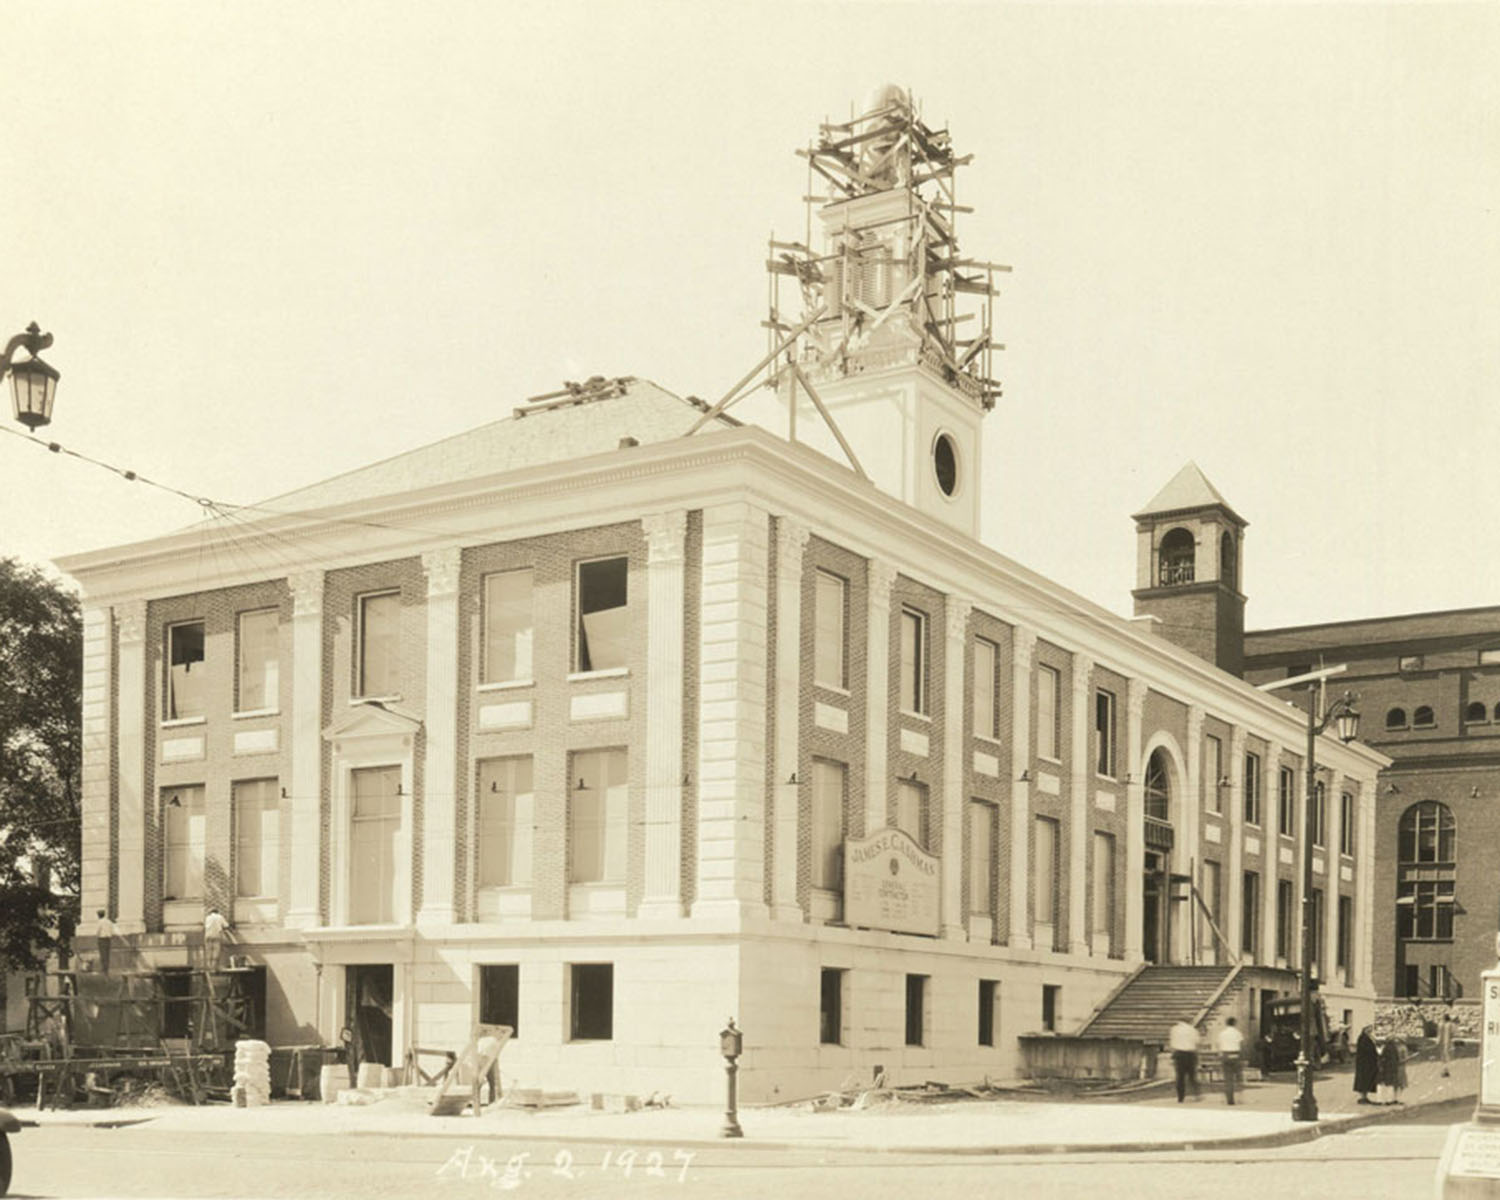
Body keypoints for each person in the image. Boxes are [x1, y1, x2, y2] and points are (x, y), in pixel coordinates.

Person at [1169, 1017, 1201, 1103]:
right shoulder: (1193, 1030)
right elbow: (1197, 1042)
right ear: (1189, 1021)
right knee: (1192, 1075)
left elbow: (1172, 1043)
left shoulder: (1174, 1029)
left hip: (1179, 1053)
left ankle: (1180, 1097)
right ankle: (1196, 1094)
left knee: (1180, 1076)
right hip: (1190, 1053)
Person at [1216, 1018, 1244, 1105]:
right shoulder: (1238, 1033)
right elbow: (1241, 1044)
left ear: (1226, 1023)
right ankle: (1240, 1097)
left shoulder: (1222, 1034)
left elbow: (1219, 1045)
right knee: (1239, 1077)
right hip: (1235, 1054)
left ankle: (1230, 1099)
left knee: (1228, 1078)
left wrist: (1220, 1055)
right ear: (1235, 1023)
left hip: (1225, 1054)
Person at [1353, 1025, 1379, 1104]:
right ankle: (1362, 1097)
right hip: (1364, 1063)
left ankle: (1365, 1096)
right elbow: (1366, 1050)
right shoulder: (1363, 1038)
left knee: (1368, 1079)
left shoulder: (1368, 1038)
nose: (1370, 1030)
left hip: (1368, 1063)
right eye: (1369, 1028)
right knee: (1364, 1079)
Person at [1378, 1036, 1407, 1105]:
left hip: (1389, 1067)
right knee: (1398, 1083)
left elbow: (1382, 1057)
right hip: (1396, 1067)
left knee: (1389, 1084)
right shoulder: (1399, 1048)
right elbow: (1401, 1058)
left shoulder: (1386, 1048)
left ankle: (1389, 1099)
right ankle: (1395, 1098)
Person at [94, 909, 118, 974]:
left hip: (102, 939)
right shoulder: (109, 922)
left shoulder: (100, 922)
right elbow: (112, 931)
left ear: (99, 915)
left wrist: (97, 936)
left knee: (102, 954)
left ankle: (103, 969)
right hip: (108, 939)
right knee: (107, 954)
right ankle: (106, 969)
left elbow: (97, 931)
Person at [1438, 1004, 1456, 1078]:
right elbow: (1453, 1033)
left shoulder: (1441, 1024)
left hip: (1444, 1042)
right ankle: (1445, 1070)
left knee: (1443, 1057)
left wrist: (1438, 1041)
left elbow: (1439, 1034)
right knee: (1447, 1056)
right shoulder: (1450, 1024)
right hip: (1448, 1042)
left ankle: (1445, 1071)